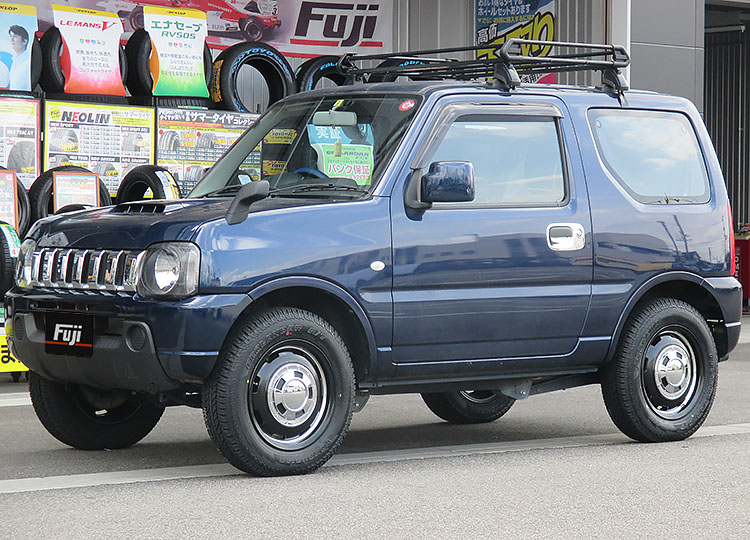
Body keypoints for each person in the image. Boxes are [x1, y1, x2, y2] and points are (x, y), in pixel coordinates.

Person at [8, 25, 31, 91]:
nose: (11, 39)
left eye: (15, 37)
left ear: (24, 42)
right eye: (10, 36)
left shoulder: (28, 61)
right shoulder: (15, 60)